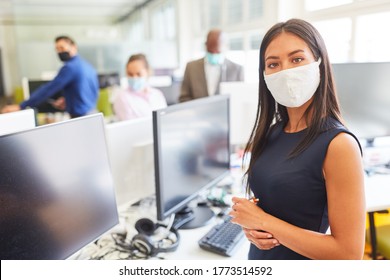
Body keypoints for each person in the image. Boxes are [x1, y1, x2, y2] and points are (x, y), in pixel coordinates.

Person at [229, 19, 366, 260]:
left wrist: (263, 221)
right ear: (264, 74)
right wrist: (253, 228)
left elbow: (348, 253)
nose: (285, 72)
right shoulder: (272, 132)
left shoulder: (339, 145)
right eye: (273, 64)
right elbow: (278, 205)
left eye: (297, 59)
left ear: (319, 63)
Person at [1, 35, 99, 118]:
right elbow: (88, 91)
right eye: (57, 49)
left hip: (81, 117)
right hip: (92, 113)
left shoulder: (70, 67)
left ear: (74, 47)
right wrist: (68, 99)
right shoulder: (87, 65)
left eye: (62, 48)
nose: (59, 52)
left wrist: (21, 106)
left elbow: (49, 89)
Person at [179, 29, 244, 102]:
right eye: (211, 51)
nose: (214, 54)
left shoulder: (237, 70)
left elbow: (240, 99)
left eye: (217, 52)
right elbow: (183, 98)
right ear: (206, 45)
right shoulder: (191, 67)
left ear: (226, 47)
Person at [113, 53, 167, 121]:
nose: (134, 78)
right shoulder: (122, 98)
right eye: (130, 74)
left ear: (147, 72)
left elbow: (165, 119)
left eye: (138, 74)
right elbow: (129, 126)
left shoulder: (157, 94)